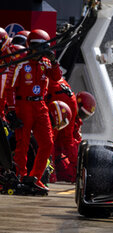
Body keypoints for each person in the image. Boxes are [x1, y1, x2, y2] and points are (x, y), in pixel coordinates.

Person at [6, 29, 62, 192]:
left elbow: (56, 77)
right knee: (22, 144)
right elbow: (10, 88)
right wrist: (11, 110)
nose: (41, 50)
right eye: (39, 46)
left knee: (47, 143)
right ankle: (21, 177)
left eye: (44, 47)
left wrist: (55, 62)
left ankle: (35, 178)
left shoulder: (46, 62)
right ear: (31, 46)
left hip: (40, 106)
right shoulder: (21, 63)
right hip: (24, 106)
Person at [45, 78, 78, 183]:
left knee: (49, 138)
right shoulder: (50, 70)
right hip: (69, 99)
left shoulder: (39, 68)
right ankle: (77, 171)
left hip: (58, 100)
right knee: (68, 139)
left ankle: (51, 174)